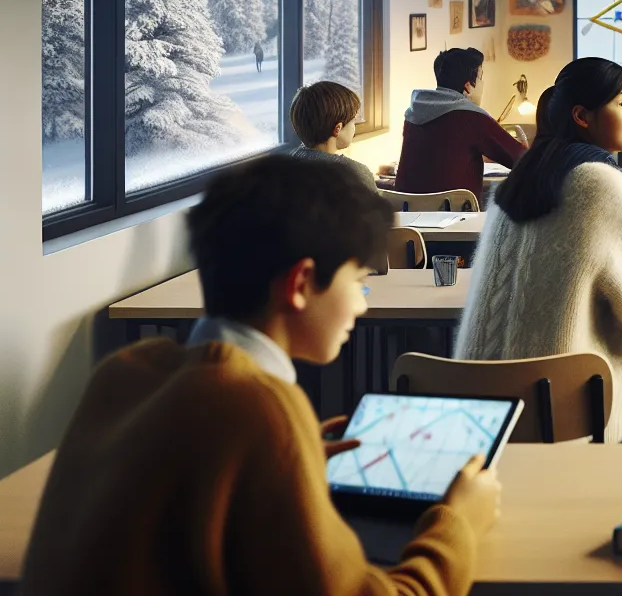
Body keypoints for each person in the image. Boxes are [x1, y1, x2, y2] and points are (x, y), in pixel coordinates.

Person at [20, 156, 499, 594]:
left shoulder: (126, 371)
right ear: (301, 284)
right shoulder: (263, 410)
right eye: (359, 281)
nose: (361, 302)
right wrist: (457, 521)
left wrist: (284, 461)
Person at [456, 58, 622, 443]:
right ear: (582, 115)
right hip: (556, 414)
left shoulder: (519, 179)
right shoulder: (601, 184)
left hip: (482, 413)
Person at [396, 47, 525, 197]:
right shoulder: (472, 117)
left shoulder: (413, 112)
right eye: (481, 77)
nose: (482, 83)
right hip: (454, 215)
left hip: (406, 212)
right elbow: (523, 159)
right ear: (468, 86)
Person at [286, 79, 377, 190]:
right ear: (337, 129)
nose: (354, 127)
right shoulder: (355, 174)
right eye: (353, 121)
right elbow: (375, 207)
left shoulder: (285, 166)